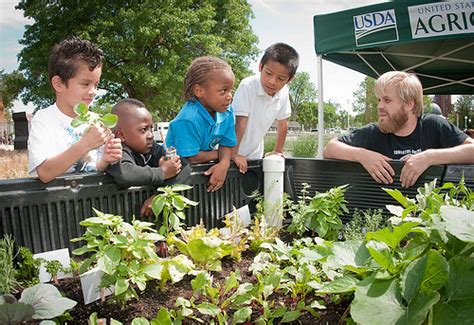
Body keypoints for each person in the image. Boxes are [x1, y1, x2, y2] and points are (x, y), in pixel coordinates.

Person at [323, 71, 474, 188]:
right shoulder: (373, 132)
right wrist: (362, 155)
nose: (379, 106)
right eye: (379, 100)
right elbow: (329, 149)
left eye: (387, 100)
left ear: (409, 104)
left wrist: (429, 157)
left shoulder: (433, 125)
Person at [28, 36, 122, 183]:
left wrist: (105, 159)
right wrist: (84, 144)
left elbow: (93, 167)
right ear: (58, 84)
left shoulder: (96, 120)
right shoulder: (44, 119)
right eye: (85, 84)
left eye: (96, 85)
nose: (93, 91)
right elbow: (45, 173)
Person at [107, 98, 191, 217]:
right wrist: (162, 172)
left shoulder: (153, 149)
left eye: (151, 128)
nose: (151, 135)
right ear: (121, 135)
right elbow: (124, 173)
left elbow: (185, 166)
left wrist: (159, 196)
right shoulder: (115, 150)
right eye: (143, 130)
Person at [166, 56, 236, 192]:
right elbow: (192, 157)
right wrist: (219, 154)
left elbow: (227, 144)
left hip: (200, 169)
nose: (230, 96)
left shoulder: (227, 112)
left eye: (231, 90)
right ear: (199, 91)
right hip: (175, 176)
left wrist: (224, 164)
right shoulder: (188, 119)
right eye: (223, 91)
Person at [231, 43, 299, 174]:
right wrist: (234, 154)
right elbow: (240, 123)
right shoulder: (248, 85)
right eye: (268, 73)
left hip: (255, 154)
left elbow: (283, 123)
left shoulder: (284, 92)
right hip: (231, 151)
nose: (272, 82)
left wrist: (278, 150)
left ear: (289, 79)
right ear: (260, 66)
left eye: (281, 78)